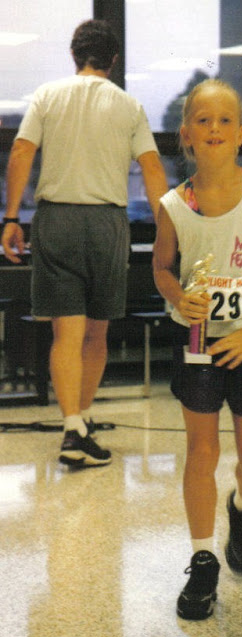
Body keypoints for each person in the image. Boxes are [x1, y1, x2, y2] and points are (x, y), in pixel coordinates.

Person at [152, 78, 242, 620]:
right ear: (186, 134)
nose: (214, 128)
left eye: (225, 120)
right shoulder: (174, 204)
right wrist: (178, 296)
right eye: (203, 120)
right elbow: (162, 268)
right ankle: (202, 559)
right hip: (197, 343)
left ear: (240, 133)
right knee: (202, 451)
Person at [1, 19, 168, 467]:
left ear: (74, 56)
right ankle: (82, 422)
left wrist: (12, 218)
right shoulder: (129, 105)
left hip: (56, 220)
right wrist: (167, 229)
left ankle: (73, 424)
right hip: (107, 224)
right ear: (113, 60)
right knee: (97, 332)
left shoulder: (47, 96)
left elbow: (21, 151)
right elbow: (153, 168)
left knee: (65, 332)